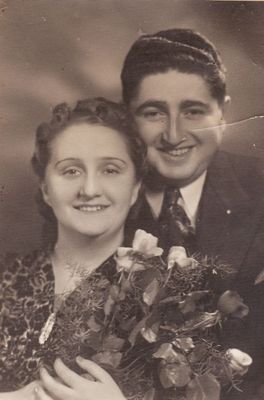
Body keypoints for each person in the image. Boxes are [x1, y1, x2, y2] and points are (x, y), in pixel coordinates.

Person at [121, 28, 264, 399]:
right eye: (153, 112)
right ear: (128, 120)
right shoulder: (96, 202)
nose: (174, 135)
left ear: (223, 114)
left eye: (194, 111)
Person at [0, 97, 146, 399]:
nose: (90, 190)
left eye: (110, 170)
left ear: (134, 188)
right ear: (45, 189)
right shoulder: (5, 275)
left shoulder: (165, 299)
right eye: (71, 171)